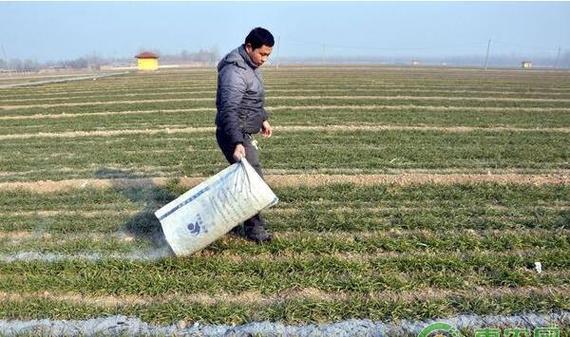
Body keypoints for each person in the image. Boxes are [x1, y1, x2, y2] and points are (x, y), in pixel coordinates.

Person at [215, 27, 274, 243]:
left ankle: (237, 219)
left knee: (247, 180)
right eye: (263, 54)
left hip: (243, 132)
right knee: (253, 181)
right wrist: (237, 142)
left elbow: (253, 97)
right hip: (233, 134)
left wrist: (262, 119)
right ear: (249, 47)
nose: (265, 59)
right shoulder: (234, 71)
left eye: (268, 55)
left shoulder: (250, 65)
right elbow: (228, 109)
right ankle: (254, 230)